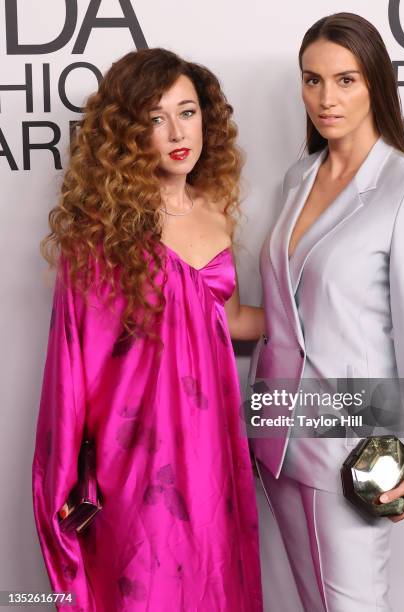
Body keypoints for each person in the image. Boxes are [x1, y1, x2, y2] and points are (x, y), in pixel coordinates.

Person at [32, 48, 264, 612]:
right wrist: (66, 479)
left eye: (187, 112)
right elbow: (71, 367)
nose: (177, 132)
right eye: (155, 119)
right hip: (133, 458)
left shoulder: (214, 210)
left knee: (212, 584)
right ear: (130, 134)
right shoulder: (100, 235)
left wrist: (321, 308)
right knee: (146, 588)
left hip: (210, 447)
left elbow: (230, 320)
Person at [249, 13, 404, 612]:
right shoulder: (297, 178)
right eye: (312, 80)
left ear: (375, 85)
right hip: (276, 434)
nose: (325, 98)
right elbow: (284, 313)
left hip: (352, 448)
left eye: (346, 80)